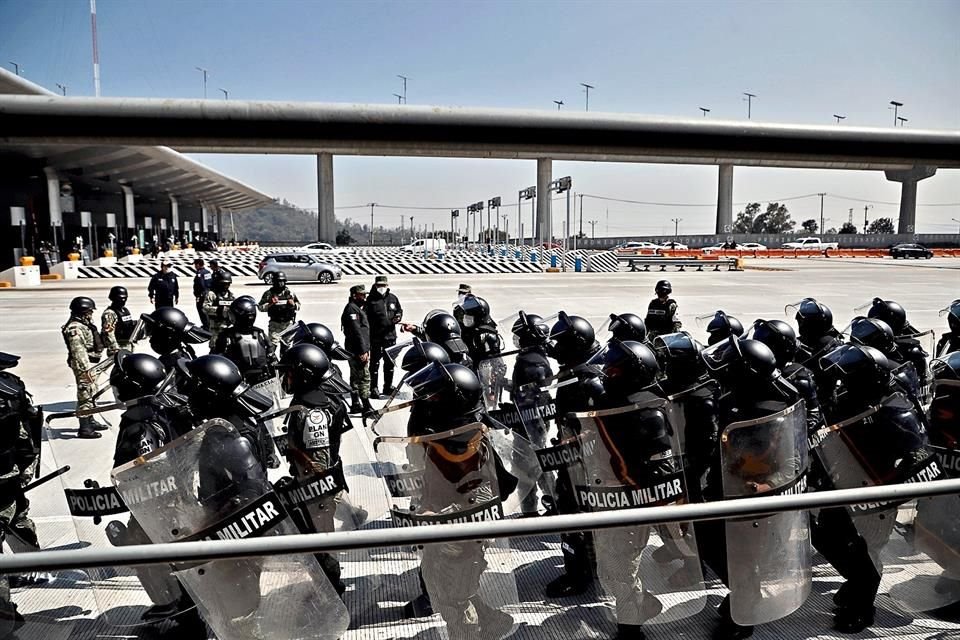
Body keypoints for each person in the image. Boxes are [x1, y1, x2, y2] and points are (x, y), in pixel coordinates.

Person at [698, 337, 805, 640]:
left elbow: (791, 457)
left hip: (750, 498)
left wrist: (767, 486)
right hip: (727, 490)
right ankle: (744, 595)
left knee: (742, 558)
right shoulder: (742, 398)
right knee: (715, 547)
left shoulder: (766, 411)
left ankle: (742, 618)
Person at [401, 362, 518, 638]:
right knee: (443, 585)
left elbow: (483, 497)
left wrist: (441, 514)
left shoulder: (470, 443)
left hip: (463, 532)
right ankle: (491, 620)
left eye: (434, 397)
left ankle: (468, 633)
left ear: (454, 401)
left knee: (453, 598)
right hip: (444, 526)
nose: (428, 402)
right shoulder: (447, 436)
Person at [107, 351, 203, 629]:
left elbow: (144, 470)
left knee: (145, 555)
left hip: (156, 505)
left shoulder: (139, 426)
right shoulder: (170, 408)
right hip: (181, 498)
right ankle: (185, 608)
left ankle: (176, 609)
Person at [276, 343, 351, 594]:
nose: (284, 378)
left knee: (321, 543)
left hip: (316, 493)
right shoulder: (316, 400)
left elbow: (319, 465)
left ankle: (332, 592)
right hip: (315, 488)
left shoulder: (312, 413)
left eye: (287, 373)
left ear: (302, 376)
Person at [543, 312, 604, 598]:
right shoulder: (580, 369)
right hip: (575, 456)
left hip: (582, 462)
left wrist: (571, 443)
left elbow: (594, 425)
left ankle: (579, 575)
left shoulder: (585, 379)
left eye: (561, 344)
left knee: (573, 512)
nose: (556, 350)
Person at [62, 296, 106, 439]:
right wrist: (85, 372)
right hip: (84, 366)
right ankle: (85, 428)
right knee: (85, 394)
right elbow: (78, 352)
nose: (91, 314)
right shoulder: (75, 328)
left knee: (92, 392)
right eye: (89, 311)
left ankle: (90, 420)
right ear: (82, 311)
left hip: (92, 364)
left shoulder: (84, 324)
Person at [213, 297, 276, 385]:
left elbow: (215, 361)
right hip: (263, 383)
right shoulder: (260, 333)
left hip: (238, 385)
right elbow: (272, 358)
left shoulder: (227, 335)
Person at [363, 275, 403, 398]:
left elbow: (399, 310)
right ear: (375, 286)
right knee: (374, 363)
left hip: (390, 337)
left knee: (389, 363)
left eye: (383, 285)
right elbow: (365, 318)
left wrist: (398, 316)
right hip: (375, 337)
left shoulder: (393, 298)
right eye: (379, 285)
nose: (381, 287)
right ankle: (374, 387)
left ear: (387, 285)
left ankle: (387, 386)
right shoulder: (370, 300)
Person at [341, 284, 373, 416]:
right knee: (364, 377)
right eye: (362, 295)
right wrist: (362, 351)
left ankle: (355, 404)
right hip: (356, 349)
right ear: (354, 295)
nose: (364, 297)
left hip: (355, 348)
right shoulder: (352, 310)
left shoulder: (355, 308)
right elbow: (356, 332)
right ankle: (366, 405)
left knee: (355, 377)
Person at [258, 272, 301, 353]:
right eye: (278, 281)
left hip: (288, 324)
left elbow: (298, 305)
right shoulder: (269, 294)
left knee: (286, 348)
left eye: (282, 281)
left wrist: (294, 305)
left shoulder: (290, 293)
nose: (280, 283)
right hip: (275, 325)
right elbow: (260, 307)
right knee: (271, 347)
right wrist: (270, 304)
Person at [202, 270, 235, 348]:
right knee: (215, 346)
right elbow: (205, 308)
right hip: (215, 327)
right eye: (224, 284)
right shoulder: (212, 294)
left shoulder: (231, 295)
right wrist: (218, 310)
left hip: (228, 326)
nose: (226, 286)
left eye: (228, 284)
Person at [101, 286, 137, 356]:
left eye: (125, 298)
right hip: (118, 346)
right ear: (113, 298)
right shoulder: (109, 313)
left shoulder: (125, 310)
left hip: (128, 344)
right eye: (120, 298)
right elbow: (108, 333)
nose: (123, 300)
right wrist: (114, 348)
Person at [192, 258, 212, 330]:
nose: (194, 266)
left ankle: (206, 326)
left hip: (202, 295)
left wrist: (199, 294)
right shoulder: (208, 272)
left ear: (198, 264)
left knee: (201, 310)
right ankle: (208, 325)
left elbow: (201, 284)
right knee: (207, 310)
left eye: (195, 264)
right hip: (208, 293)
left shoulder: (199, 273)